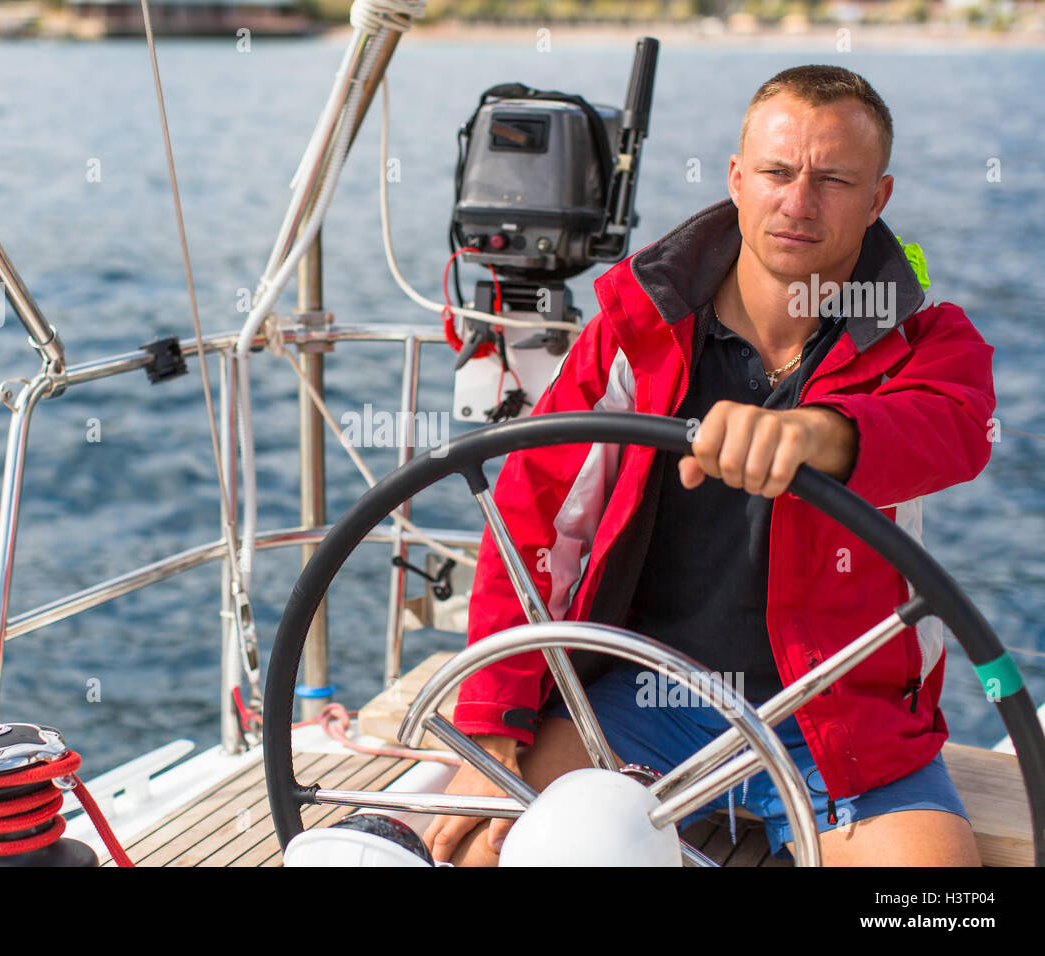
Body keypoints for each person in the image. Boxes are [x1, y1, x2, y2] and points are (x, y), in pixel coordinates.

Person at [423, 65, 995, 867]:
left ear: (878, 200)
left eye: (833, 179)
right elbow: (532, 507)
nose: (798, 202)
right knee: (482, 851)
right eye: (776, 172)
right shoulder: (634, 325)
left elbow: (956, 428)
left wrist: (814, 434)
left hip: (842, 725)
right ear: (736, 178)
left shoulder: (924, 340)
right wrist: (490, 723)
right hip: (642, 700)